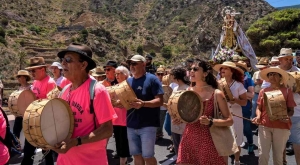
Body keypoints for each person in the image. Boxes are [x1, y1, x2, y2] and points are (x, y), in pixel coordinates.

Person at [52, 43, 116, 165]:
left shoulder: (98, 91)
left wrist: (76, 142)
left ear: (83, 65)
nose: (63, 63)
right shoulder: (64, 91)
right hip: (64, 161)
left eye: (68, 59)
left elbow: (107, 130)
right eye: (62, 60)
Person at [176, 59, 233, 165]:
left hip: (209, 141)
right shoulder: (188, 91)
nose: (191, 71)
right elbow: (187, 115)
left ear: (205, 73)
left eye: (195, 69)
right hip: (189, 138)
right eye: (190, 69)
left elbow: (229, 120)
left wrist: (211, 121)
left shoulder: (217, 94)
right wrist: (180, 119)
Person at [252, 67, 296, 165]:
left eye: (275, 74)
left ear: (280, 77)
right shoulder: (263, 91)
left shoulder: (287, 91)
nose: (272, 76)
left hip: (281, 127)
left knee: (278, 157)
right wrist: (258, 116)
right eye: (270, 74)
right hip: (264, 125)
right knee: (263, 155)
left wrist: (287, 116)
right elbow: (259, 108)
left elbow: (291, 110)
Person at [126, 55, 164, 165]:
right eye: (130, 64)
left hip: (148, 124)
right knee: (136, 155)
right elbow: (126, 102)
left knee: (148, 156)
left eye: (134, 63)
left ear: (143, 64)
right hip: (131, 124)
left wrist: (143, 104)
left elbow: (160, 101)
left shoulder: (152, 79)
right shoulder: (128, 81)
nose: (131, 66)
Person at [22, 57, 56, 165]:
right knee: (28, 151)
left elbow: (51, 106)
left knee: (47, 153)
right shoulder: (36, 82)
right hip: (33, 120)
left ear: (42, 70)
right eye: (30, 70)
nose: (31, 73)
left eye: (33, 70)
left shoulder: (50, 83)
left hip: (44, 123)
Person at [213, 61, 247, 165]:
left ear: (232, 72)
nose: (222, 70)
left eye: (226, 68)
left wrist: (236, 100)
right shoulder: (217, 84)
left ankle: (237, 161)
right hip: (222, 115)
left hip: (236, 115)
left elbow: (245, 102)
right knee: (224, 139)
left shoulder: (238, 85)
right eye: (222, 68)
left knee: (237, 139)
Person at [112, 66, 131, 165]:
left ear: (126, 75)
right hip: (116, 119)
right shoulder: (115, 86)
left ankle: (123, 161)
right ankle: (123, 159)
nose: (117, 76)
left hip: (125, 119)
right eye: (116, 74)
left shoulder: (129, 87)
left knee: (123, 142)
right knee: (118, 142)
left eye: (119, 73)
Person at [168, 67, 189, 156]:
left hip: (184, 122)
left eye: (171, 75)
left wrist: (181, 119)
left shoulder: (187, 89)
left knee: (184, 150)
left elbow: (189, 107)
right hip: (174, 122)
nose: (170, 77)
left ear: (176, 76)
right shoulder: (175, 88)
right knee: (177, 148)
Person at [235, 61, 255, 154]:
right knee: (233, 128)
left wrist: (239, 94)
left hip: (245, 107)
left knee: (246, 127)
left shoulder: (248, 80)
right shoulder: (230, 80)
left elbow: (251, 95)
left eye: (240, 68)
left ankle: (250, 143)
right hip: (233, 107)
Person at [13, 70, 31, 139]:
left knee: (28, 133)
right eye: (19, 77)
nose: (19, 79)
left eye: (21, 77)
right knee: (15, 132)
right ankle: (16, 146)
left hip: (27, 114)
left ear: (25, 78)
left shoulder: (30, 88)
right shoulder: (19, 88)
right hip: (19, 114)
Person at [155, 67, 167, 140]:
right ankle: (156, 134)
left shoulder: (167, 83)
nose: (160, 76)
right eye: (158, 74)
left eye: (162, 74)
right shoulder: (154, 82)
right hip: (155, 104)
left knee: (161, 120)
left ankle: (159, 133)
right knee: (156, 120)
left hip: (164, 105)